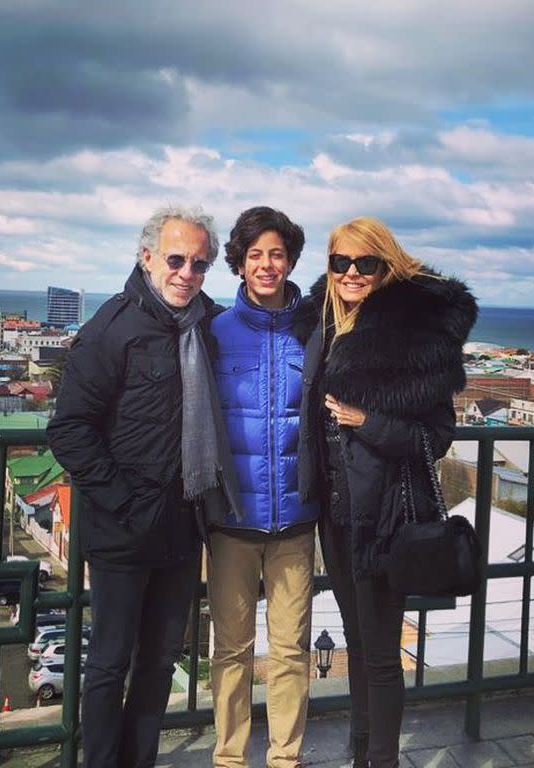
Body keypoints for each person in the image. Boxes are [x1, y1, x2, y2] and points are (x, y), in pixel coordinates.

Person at [47, 205, 240, 768]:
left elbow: (265, 330)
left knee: (158, 661)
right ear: (147, 256)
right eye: (176, 260)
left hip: (181, 528)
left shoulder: (209, 325)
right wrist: (125, 502)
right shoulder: (111, 329)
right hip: (123, 530)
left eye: (200, 264)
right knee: (109, 663)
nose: (187, 273)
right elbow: (70, 430)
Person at [295, 217, 477, 768]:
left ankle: (380, 762)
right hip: (336, 512)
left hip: (384, 515)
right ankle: (360, 755)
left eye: (365, 263)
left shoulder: (416, 335)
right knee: (357, 643)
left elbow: (436, 436)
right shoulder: (324, 325)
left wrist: (367, 420)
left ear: (387, 265)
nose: (351, 273)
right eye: (340, 262)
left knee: (378, 655)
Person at [208, 206, 319, 768]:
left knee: (291, 650)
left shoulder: (313, 331)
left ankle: (284, 759)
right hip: (230, 520)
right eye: (255, 255)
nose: (267, 265)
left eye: (276, 254)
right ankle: (229, 758)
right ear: (240, 263)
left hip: (296, 520)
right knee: (230, 650)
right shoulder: (216, 332)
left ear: (291, 260)